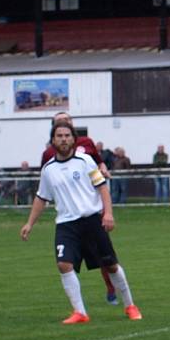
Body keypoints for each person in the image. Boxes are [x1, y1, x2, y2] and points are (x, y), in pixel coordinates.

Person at [21, 121, 142, 323]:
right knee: (63, 264)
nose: (63, 139)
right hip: (66, 224)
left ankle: (130, 305)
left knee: (111, 265)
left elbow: (102, 187)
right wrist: (29, 223)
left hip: (92, 221)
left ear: (73, 139)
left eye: (67, 136)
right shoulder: (48, 169)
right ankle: (80, 312)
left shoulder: (86, 161)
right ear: (53, 141)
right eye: (59, 136)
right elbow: (41, 197)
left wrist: (108, 213)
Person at [39, 112, 116, 304]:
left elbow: (99, 163)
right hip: (68, 218)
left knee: (106, 259)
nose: (65, 124)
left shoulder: (87, 144)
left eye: (68, 120)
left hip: (91, 210)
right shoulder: (49, 156)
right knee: (66, 262)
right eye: (60, 122)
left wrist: (103, 168)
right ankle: (79, 309)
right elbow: (46, 181)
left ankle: (111, 288)